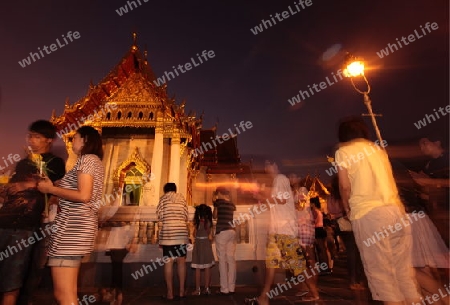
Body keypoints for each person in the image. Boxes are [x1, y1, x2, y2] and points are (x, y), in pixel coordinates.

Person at [335, 117, 421, 305]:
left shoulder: (344, 151)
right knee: (404, 273)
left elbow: (344, 185)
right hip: (396, 212)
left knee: (382, 275)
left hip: (370, 215)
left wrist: (347, 208)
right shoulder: (378, 151)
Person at [0, 120, 65, 305]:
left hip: (39, 223)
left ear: (49, 140)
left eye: (37, 137)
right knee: (11, 274)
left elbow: (56, 189)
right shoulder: (22, 164)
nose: (32, 140)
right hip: (10, 220)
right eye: (30, 136)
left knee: (29, 271)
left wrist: (28, 185)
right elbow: (10, 188)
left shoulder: (56, 163)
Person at [38, 125, 104, 305]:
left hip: (70, 232)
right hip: (75, 229)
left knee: (63, 295)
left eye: (75, 137)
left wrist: (51, 189)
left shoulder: (87, 160)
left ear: (85, 140)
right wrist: (56, 186)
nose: (72, 141)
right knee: (68, 294)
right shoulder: (93, 161)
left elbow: (84, 195)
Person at [246, 160, 305, 305]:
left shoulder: (281, 179)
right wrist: (261, 197)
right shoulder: (276, 183)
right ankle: (263, 298)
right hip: (276, 230)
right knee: (271, 264)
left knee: (298, 267)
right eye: (265, 165)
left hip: (285, 230)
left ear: (275, 166)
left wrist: (263, 197)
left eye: (268, 164)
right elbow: (275, 202)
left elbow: (282, 200)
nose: (266, 167)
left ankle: (314, 292)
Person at [156, 183, 189, 300]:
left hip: (168, 235)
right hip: (181, 234)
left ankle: (170, 293)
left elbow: (159, 215)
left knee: (168, 263)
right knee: (181, 262)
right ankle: (181, 291)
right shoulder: (182, 199)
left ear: (165, 190)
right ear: (175, 190)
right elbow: (186, 216)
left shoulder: (163, 199)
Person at [294, 186, 320, 301]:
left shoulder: (301, 192)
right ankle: (308, 287)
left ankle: (312, 290)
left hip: (304, 229)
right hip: (307, 229)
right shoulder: (302, 192)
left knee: (307, 260)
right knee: (308, 260)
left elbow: (300, 207)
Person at [213, 187, 236, 295]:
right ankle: (231, 287)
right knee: (231, 260)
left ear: (219, 193)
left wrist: (214, 202)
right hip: (232, 231)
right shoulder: (231, 204)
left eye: (217, 194)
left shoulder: (218, 202)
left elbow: (214, 216)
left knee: (222, 260)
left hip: (222, 231)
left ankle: (224, 288)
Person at [191, 204, 215, 296]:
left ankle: (198, 289)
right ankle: (207, 288)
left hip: (198, 246)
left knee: (197, 268)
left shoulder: (197, 223)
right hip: (206, 245)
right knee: (207, 267)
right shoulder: (208, 222)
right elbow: (210, 234)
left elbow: (194, 234)